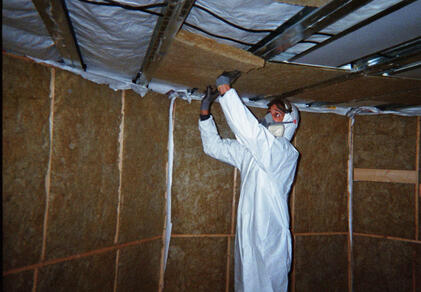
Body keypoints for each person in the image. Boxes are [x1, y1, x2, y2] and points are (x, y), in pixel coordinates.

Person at [198, 71, 300, 292]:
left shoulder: (284, 153)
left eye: (277, 115)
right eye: (269, 113)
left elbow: (252, 134)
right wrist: (206, 113)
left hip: (269, 237)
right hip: (248, 235)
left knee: (268, 285)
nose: (269, 118)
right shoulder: (252, 153)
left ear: (290, 123)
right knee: (246, 283)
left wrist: (226, 91)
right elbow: (214, 147)